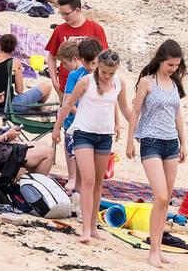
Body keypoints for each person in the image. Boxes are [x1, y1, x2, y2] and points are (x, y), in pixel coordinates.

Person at [54, 49, 134, 243]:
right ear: (98, 67)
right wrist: (56, 128)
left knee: (99, 182)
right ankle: (85, 230)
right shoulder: (86, 81)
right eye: (104, 72)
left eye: (111, 73)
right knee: (88, 179)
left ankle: (93, 226)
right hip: (83, 133)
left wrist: (135, 129)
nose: (107, 76)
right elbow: (67, 104)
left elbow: (123, 107)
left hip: (104, 135)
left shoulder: (118, 83)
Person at [126, 40, 188, 268]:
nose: (173, 68)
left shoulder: (173, 84)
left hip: (171, 143)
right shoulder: (147, 82)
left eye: (176, 65)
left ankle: (158, 249)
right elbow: (135, 112)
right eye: (170, 64)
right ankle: (153, 250)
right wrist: (130, 141)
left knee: (165, 202)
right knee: (160, 196)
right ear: (161, 60)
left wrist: (183, 143)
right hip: (150, 142)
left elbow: (177, 115)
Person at [45, 0, 107, 97]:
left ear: (77, 10)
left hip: (90, 88)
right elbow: (51, 57)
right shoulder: (59, 30)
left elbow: (104, 57)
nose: (63, 17)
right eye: (61, 13)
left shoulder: (96, 29)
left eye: (66, 13)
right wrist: (55, 83)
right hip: (65, 87)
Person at [52, 38, 88, 193]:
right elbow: (68, 101)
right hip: (72, 120)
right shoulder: (75, 75)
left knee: (77, 154)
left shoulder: (80, 75)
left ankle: (76, 180)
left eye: (65, 63)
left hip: (81, 121)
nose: (64, 67)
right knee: (70, 152)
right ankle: (72, 178)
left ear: (74, 59)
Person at [0, 33, 54, 113]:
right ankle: (37, 108)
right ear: (14, 49)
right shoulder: (15, 63)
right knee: (47, 86)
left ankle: (35, 107)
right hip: (9, 105)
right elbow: (19, 90)